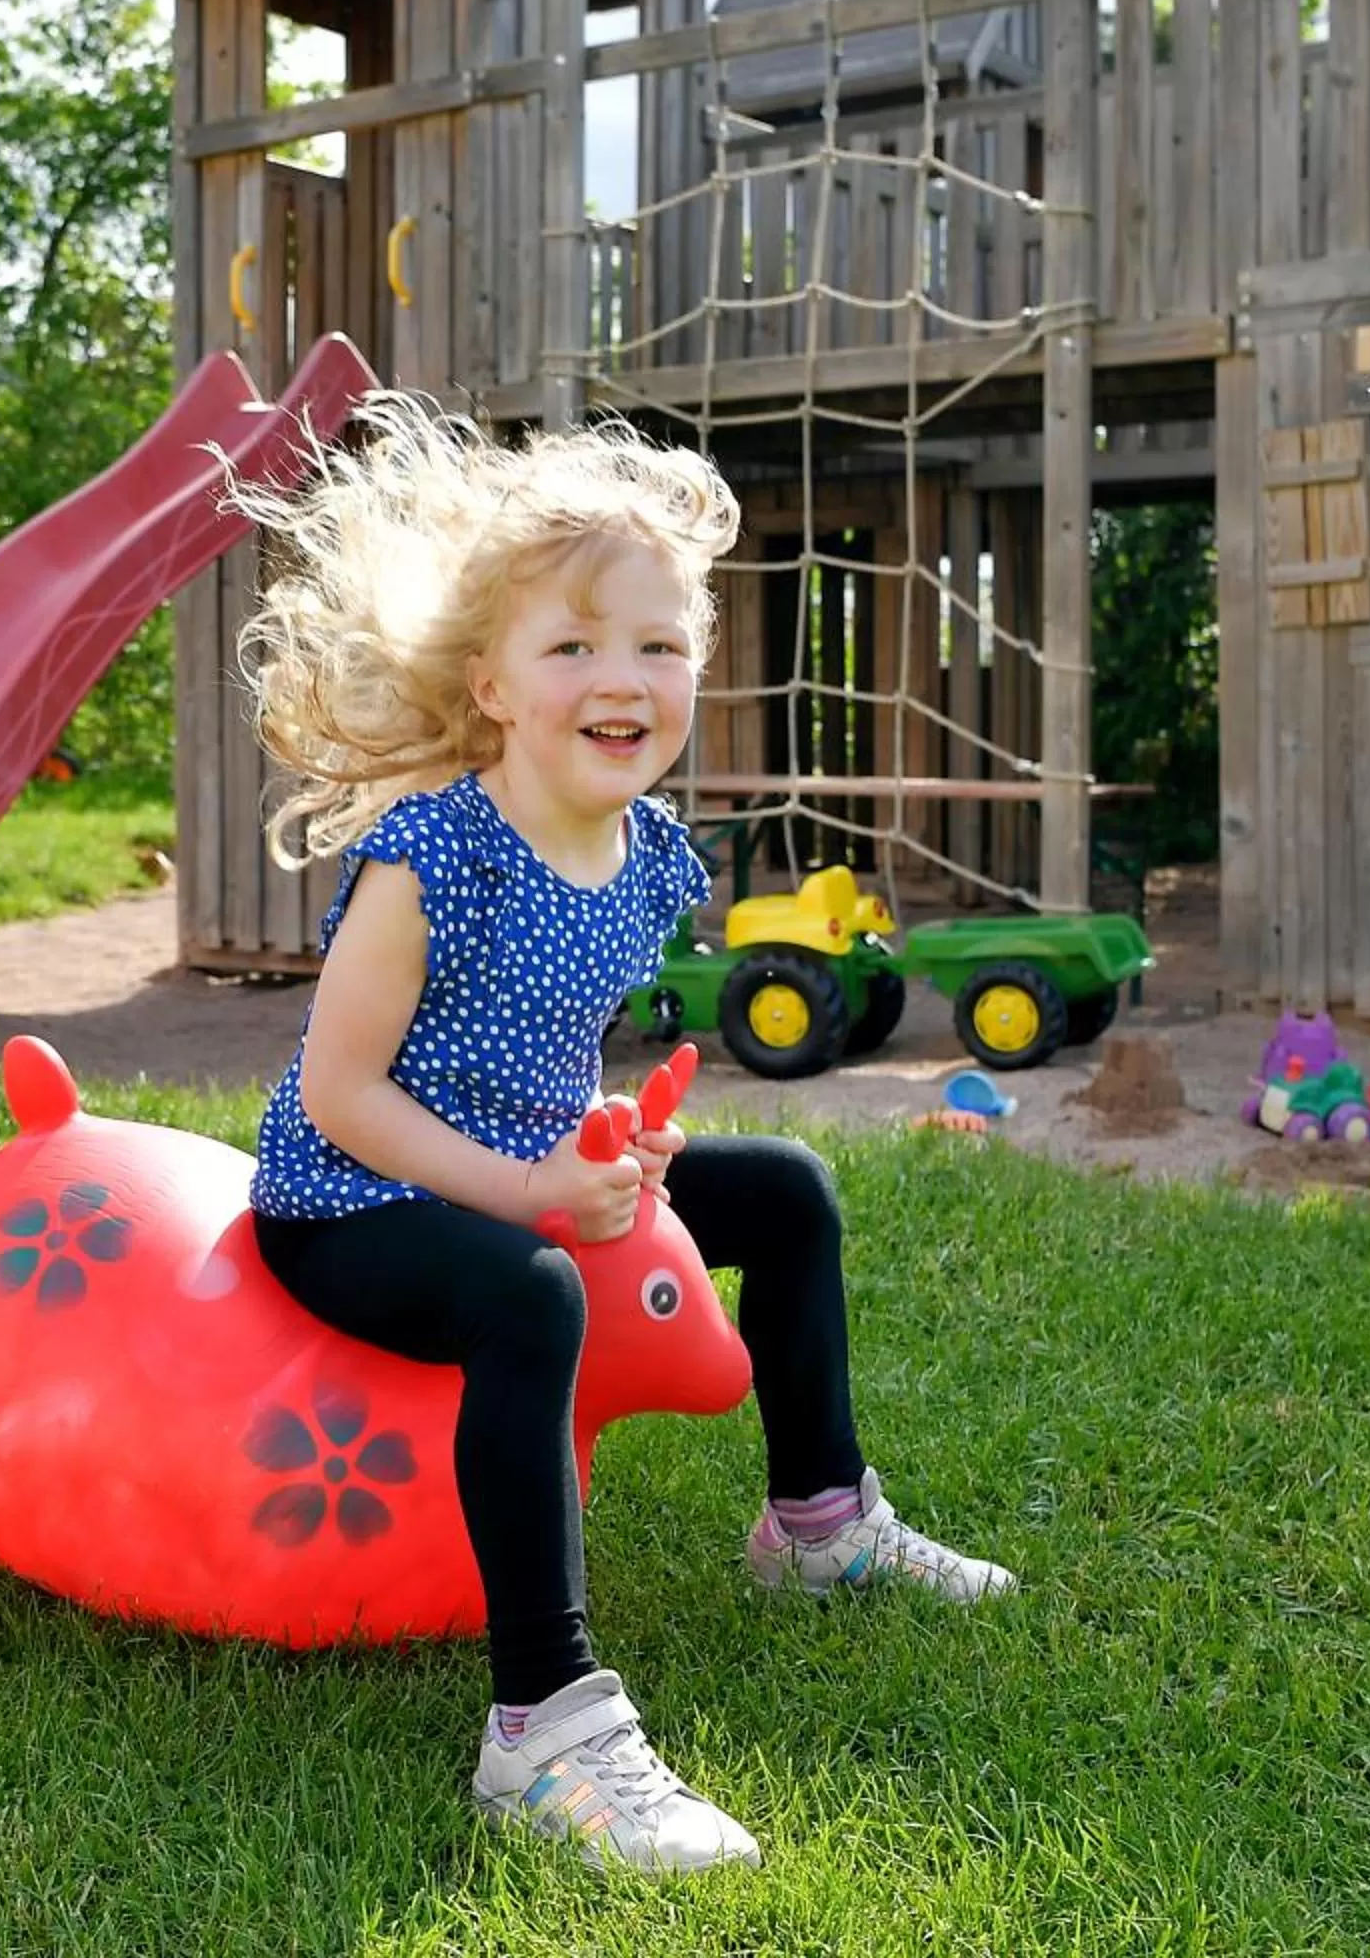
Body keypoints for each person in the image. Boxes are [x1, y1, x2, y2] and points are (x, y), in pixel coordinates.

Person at [234, 395, 1015, 1876]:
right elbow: (339, 1092)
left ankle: (818, 1523)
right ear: (493, 685)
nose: (624, 678)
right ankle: (543, 1724)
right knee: (527, 1297)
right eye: (575, 645)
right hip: (349, 1197)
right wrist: (533, 1193)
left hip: (524, 1167)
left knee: (785, 1193)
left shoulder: (654, 857)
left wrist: (607, 1150)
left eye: (660, 647)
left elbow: (540, 1051)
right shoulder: (426, 857)